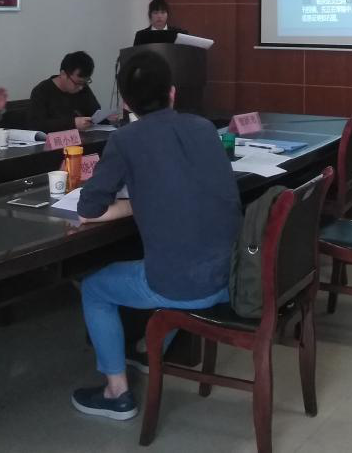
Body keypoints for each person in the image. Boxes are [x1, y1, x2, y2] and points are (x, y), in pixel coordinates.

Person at [70, 50, 242, 421]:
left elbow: (88, 209)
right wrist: (142, 201)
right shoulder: (203, 128)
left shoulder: (126, 139)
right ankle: (151, 352)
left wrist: (126, 206)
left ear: (126, 103)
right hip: (232, 274)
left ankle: (117, 392)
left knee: (95, 289)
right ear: (172, 92)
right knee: (171, 265)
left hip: (185, 284)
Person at [29, 51, 116, 129]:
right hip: (53, 140)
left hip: (85, 138)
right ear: (63, 74)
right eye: (78, 83)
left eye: (85, 82)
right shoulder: (41, 91)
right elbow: (37, 125)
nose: (81, 87)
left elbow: (94, 114)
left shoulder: (83, 88)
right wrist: (73, 123)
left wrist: (107, 118)